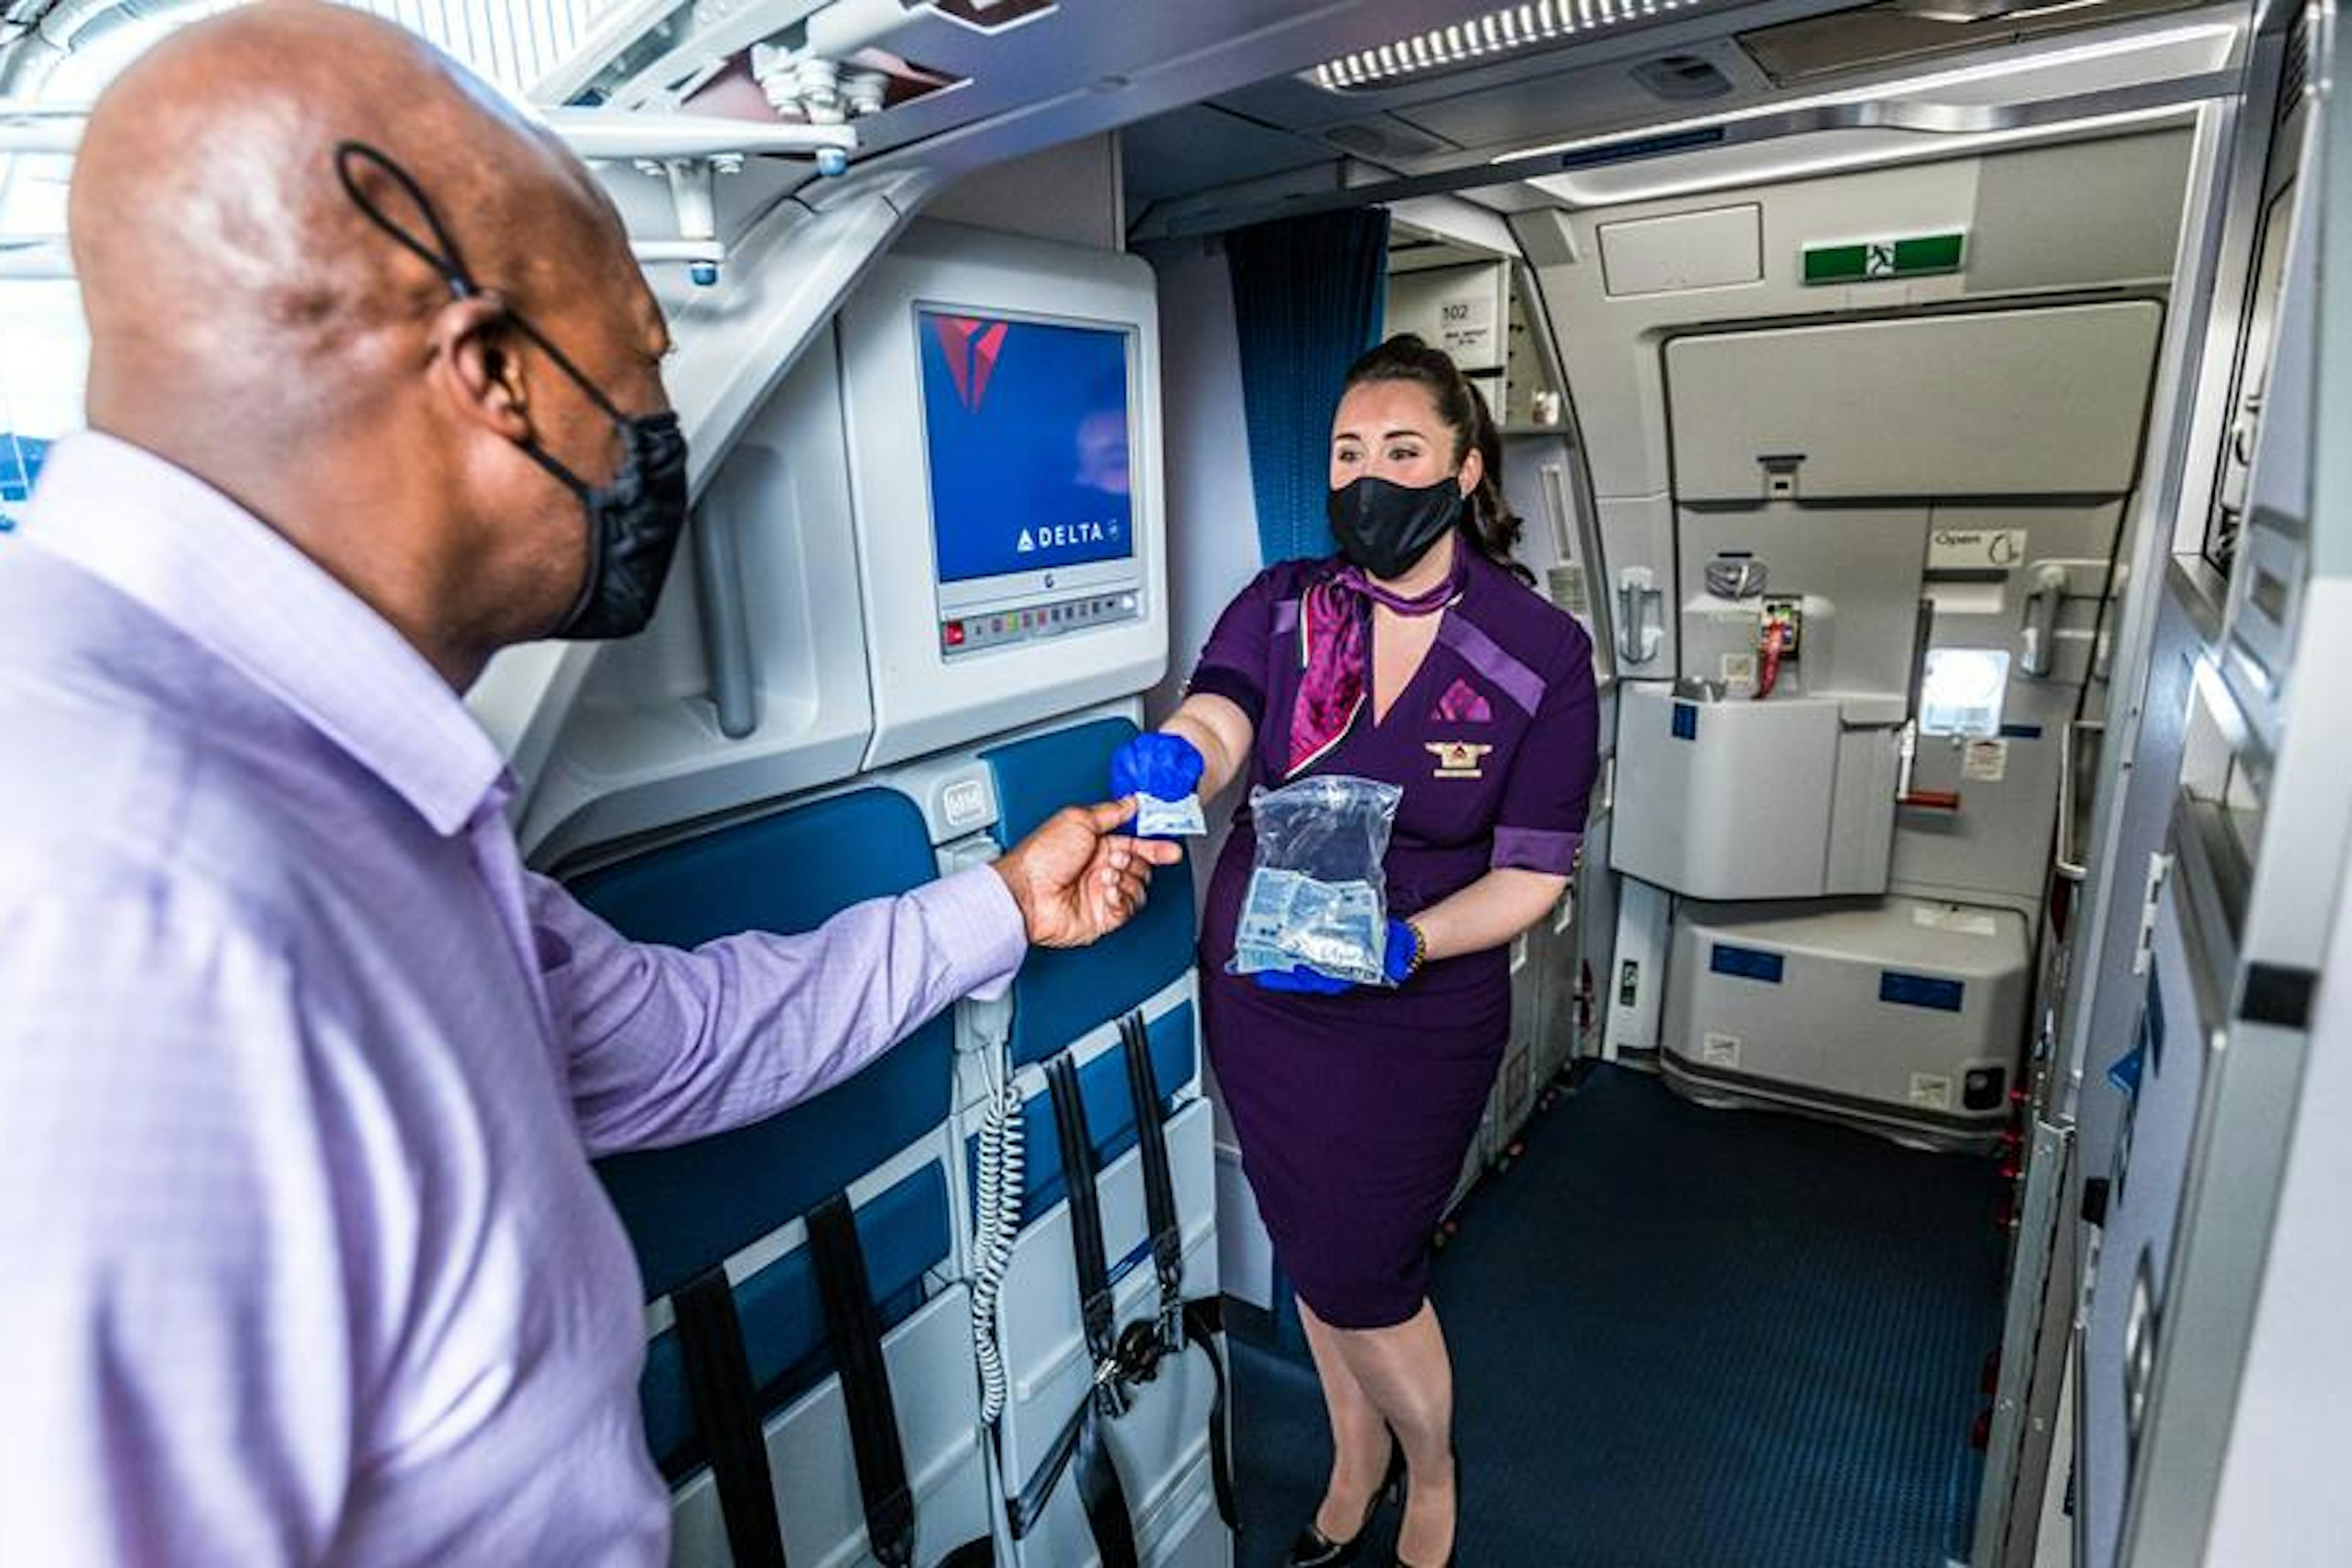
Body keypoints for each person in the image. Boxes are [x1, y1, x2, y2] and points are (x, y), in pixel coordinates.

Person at [0, 5, 1179, 1562]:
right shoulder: (116, 897)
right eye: (637, 359)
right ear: (495, 376)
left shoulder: (330, 772)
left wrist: (1004, 904)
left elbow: (662, 1044)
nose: (655, 429)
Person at [1112, 334, 1600, 1567]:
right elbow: (1225, 706)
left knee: (1365, 1265)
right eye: (1346, 451)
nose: (1368, 476)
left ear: (1462, 467)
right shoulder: (1286, 603)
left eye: (1400, 450)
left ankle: (1430, 1465)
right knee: (1309, 1245)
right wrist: (1186, 756)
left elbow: (1533, 876)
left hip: (1413, 1013)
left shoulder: (1537, 650)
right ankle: (1354, 1450)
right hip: (1267, 996)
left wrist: (1402, 942)